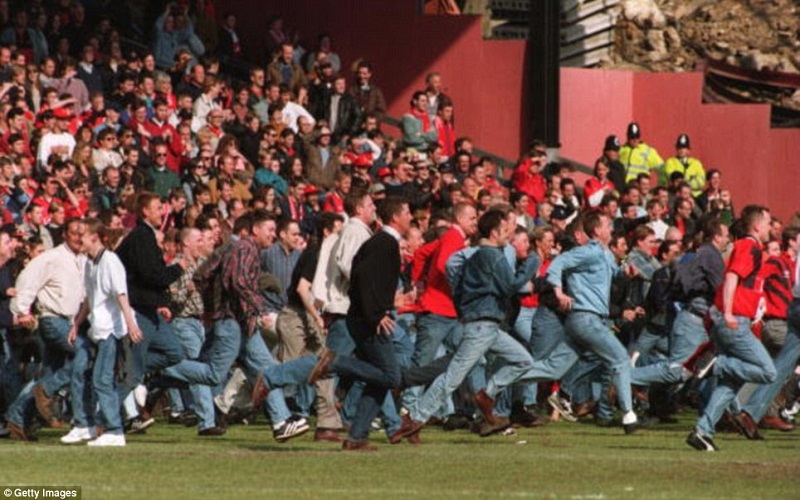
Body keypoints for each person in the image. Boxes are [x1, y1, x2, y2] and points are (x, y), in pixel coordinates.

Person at [687, 205, 777, 451]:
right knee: (768, 372)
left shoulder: (750, 247)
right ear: (756, 226)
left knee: (729, 386)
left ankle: (702, 431)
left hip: (733, 320)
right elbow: (731, 277)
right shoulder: (749, 246)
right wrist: (727, 312)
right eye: (768, 223)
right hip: (734, 320)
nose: (770, 228)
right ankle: (717, 364)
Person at [548, 211, 641, 433]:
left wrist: (625, 272)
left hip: (591, 319)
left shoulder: (605, 254)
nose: (611, 228)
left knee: (551, 368)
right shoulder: (588, 251)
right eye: (607, 225)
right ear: (597, 231)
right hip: (585, 318)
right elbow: (558, 263)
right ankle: (629, 416)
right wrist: (559, 293)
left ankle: (498, 385)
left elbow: (612, 274)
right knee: (620, 358)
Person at [6, 219, 89, 441]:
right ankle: (49, 392)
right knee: (84, 353)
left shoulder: (82, 260)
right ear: (65, 234)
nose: (79, 237)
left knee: (50, 374)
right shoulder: (52, 258)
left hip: (70, 321)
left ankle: (17, 418)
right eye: (74, 233)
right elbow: (29, 278)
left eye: (82, 233)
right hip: (53, 320)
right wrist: (21, 309)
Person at [64, 219, 142, 446]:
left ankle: (114, 430)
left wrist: (131, 324)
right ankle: (96, 426)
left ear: (95, 237)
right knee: (95, 377)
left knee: (102, 379)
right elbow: (90, 298)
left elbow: (121, 294)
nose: (78, 239)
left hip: (112, 331)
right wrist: (77, 323)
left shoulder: (110, 261)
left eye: (82, 235)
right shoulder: (90, 264)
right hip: (98, 329)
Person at [115, 192, 187, 431]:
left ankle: (128, 368)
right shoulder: (140, 237)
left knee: (174, 352)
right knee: (133, 375)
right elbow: (151, 275)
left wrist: (161, 302)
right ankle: (105, 417)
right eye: (157, 207)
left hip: (150, 310)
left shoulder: (146, 236)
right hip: (138, 311)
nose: (162, 212)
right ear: (145, 211)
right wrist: (178, 268)